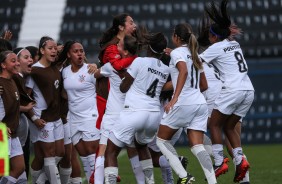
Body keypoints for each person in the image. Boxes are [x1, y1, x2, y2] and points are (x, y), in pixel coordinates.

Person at [104, 32, 170, 184]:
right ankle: (150, 182)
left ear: (149, 48)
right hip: (153, 116)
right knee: (142, 146)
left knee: (111, 151)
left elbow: (123, 87)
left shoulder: (140, 61)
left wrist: (123, 77)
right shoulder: (165, 70)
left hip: (134, 111)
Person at [199, 0, 254, 182]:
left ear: (214, 36)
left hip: (232, 90)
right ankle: (240, 160)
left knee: (214, 125)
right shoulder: (235, 44)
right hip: (248, 90)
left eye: (210, 35)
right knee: (230, 126)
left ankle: (218, 161)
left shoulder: (215, 47)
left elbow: (196, 62)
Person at [156, 23, 217, 184]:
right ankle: (213, 182)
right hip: (200, 103)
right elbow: (204, 85)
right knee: (197, 146)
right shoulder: (194, 54)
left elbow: (183, 70)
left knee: (161, 140)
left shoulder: (178, 53)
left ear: (176, 37)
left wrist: (175, 98)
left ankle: (184, 176)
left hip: (184, 103)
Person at [94, 35, 143, 184]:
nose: (116, 47)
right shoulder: (139, 65)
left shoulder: (110, 67)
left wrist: (94, 67)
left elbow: (96, 74)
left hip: (113, 115)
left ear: (126, 51)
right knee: (133, 153)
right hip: (130, 114)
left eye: (120, 46)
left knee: (103, 152)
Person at [26, 36, 64, 184]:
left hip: (56, 116)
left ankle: (38, 182)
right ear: (42, 50)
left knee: (60, 153)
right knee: (48, 155)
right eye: (50, 48)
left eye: (55, 48)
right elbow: (25, 97)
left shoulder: (54, 67)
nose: (54, 51)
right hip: (43, 118)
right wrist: (34, 118)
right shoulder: (34, 71)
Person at [61, 40, 100, 183]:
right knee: (83, 154)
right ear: (68, 54)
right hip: (73, 118)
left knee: (92, 152)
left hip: (90, 116)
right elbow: (65, 93)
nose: (79, 54)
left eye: (81, 51)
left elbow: (102, 91)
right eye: (75, 51)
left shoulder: (90, 70)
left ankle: (98, 180)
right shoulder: (64, 72)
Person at [0, 50, 25, 183]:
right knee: (1, 170)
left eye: (17, 60)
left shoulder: (13, 79)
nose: (17, 63)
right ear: (3, 65)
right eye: (13, 61)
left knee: (19, 167)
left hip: (12, 132)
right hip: (2, 133)